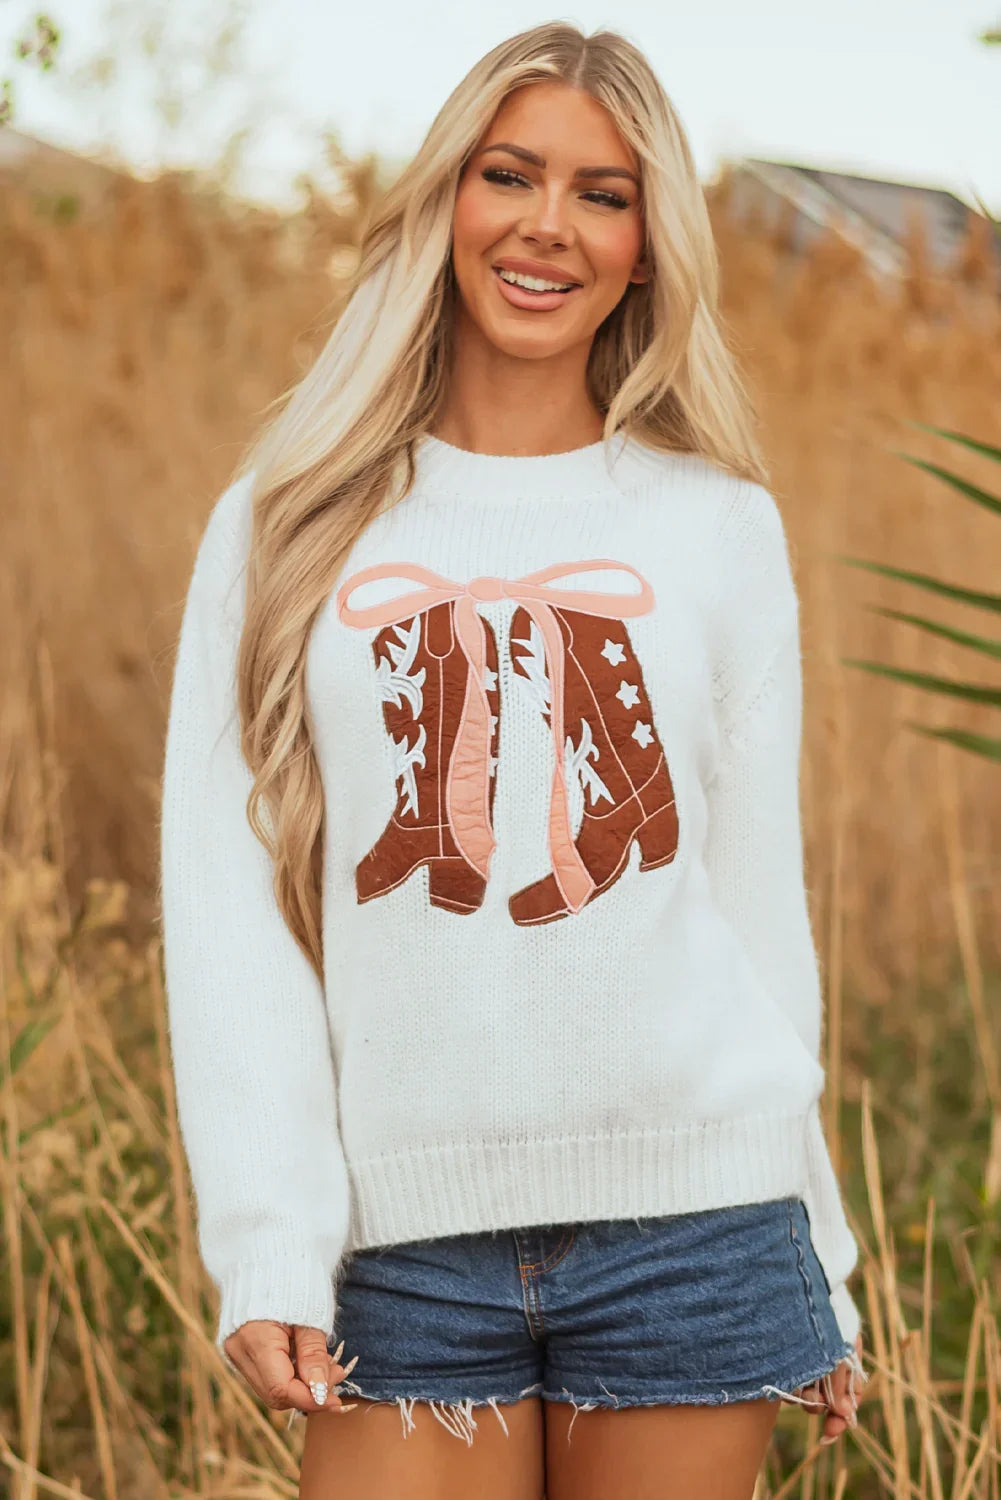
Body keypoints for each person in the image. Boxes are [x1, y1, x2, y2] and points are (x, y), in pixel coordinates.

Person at [159, 21, 866, 1500]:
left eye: (603, 194)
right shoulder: (286, 523)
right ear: (447, 203)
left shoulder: (717, 528)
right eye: (511, 175)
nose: (550, 225)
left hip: (696, 1230)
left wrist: (819, 1244)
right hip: (395, 1246)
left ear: (650, 248)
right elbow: (227, 912)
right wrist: (269, 1242)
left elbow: (753, 912)